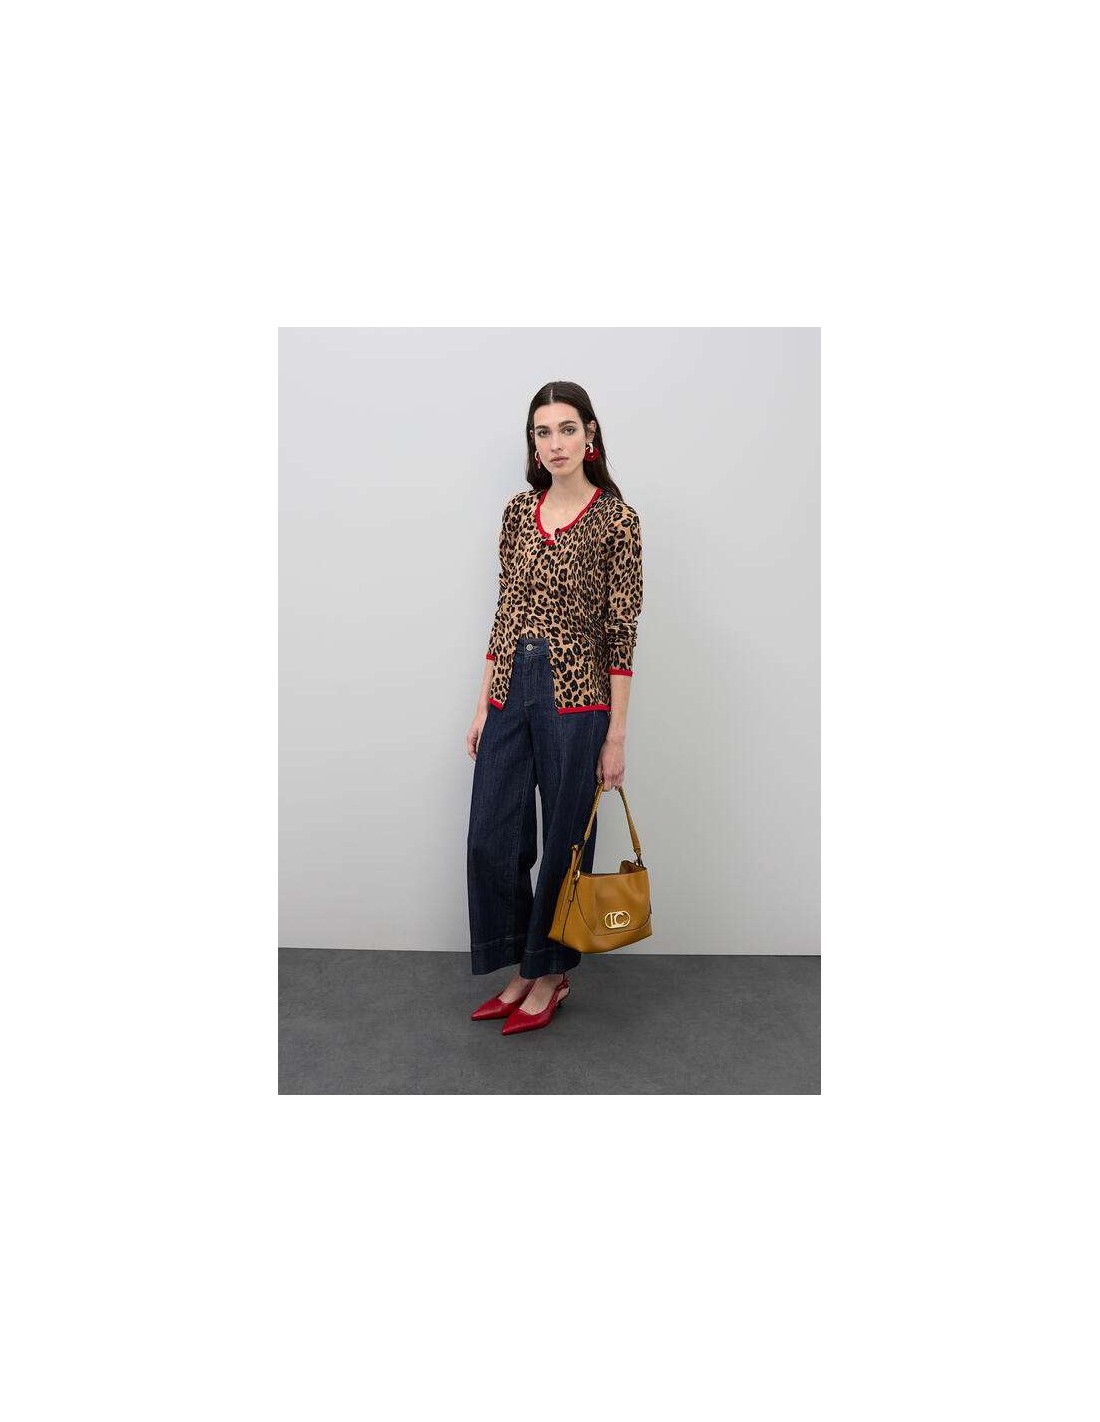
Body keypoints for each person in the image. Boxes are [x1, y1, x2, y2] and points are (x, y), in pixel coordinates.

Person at [465, 381, 644, 1035]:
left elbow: (621, 634)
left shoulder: (617, 520)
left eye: (567, 429)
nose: (555, 443)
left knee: (567, 843)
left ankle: (548, 976)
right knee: (492, 837)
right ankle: (521, 964)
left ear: (590, 435)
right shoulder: (518, 513)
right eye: (543, 432)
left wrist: (615, 736)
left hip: (579, 699)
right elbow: (505, 611)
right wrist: (484, 705)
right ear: (533, 444)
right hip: (512, 687)